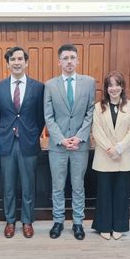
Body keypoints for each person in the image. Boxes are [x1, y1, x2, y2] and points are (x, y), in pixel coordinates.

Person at [44, 44, 95, 240]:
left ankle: (77, 222)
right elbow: (48, 117)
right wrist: (62, 140)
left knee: (77, 185)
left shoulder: (89, 82)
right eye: (65, 58)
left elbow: (91, 112)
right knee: (57, 185)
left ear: (78, 60)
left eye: (72, 57)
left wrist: (79, 137)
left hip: (80, 145)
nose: (69, 61)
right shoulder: (50, 85)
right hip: (58, 146)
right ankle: (58, 221)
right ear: (59, 62)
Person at [0, 47, 45, 238]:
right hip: (7, 142)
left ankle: (27, 221)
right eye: (12, 59)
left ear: (26, 62)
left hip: (28, 142)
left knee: (28, 185)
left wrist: (31, 133)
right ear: (7, 64)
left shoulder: (38, 87)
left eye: (20, 59)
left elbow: (41, 117)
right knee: (7, 185)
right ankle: (10, 221)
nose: (16, 62)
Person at [91, 71, 130, 240]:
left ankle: (119, 226)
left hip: (123, 157)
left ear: (122, 87)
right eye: (110, 85)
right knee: (104, 193)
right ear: (106, 88)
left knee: (121, 193)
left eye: (117, 84)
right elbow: (96, 130)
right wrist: (109, 149)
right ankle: (103, 226)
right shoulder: (98, 107)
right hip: (104, 156)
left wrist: (118, 148)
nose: (113, 88)